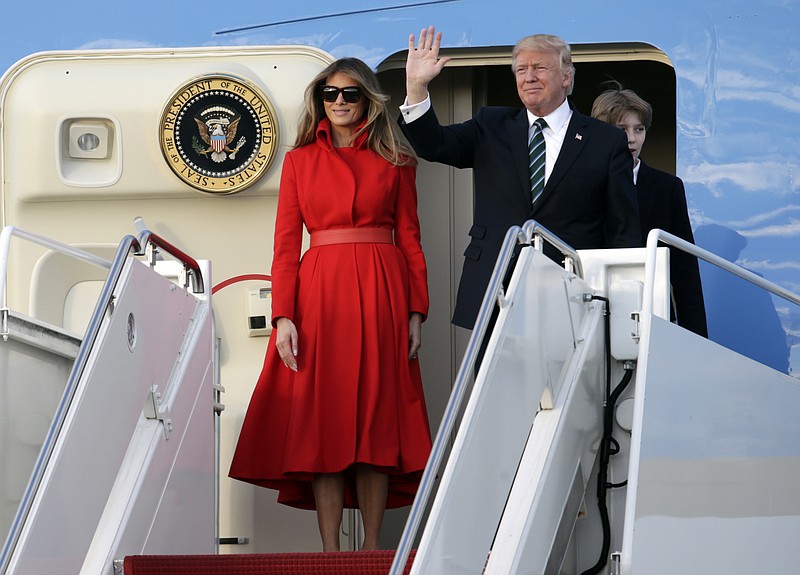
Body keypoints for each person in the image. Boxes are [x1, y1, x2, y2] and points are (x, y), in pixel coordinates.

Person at [229, 57, 432, 552]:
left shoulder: (398, 159)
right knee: (324, 422)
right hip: (321, 294)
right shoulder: (299, 161)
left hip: (384, 289)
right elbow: (284, 245)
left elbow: (410, 238)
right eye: (330, 94)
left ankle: (370, 550)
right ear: (320, 100)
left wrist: (416, 310)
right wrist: (283, 317)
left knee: (377, 421)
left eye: (350, 93)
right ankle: (329, 552)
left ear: (368, 100)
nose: (339, 102)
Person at [399, 26, 641, 330]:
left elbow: (623, 228)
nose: (529, 77)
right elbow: (434, 145)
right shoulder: (491, 125)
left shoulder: (604, 141)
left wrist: (617, 304)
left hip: (572, 296)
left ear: (567, 77)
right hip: (496, 291)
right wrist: (416, 87)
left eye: (540, 67)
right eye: (521, 69)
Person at [591, 85, 708, 337]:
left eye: (639, 129)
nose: (632, 139)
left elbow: (684, 268)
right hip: (593, 312)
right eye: (621, 129)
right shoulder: (581, 184)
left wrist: (696, 337)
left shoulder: (668, 187)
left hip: (653, 314)